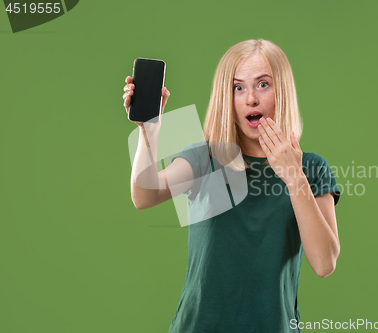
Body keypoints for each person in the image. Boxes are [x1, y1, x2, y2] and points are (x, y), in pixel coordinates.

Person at [123, 39, 342, 333]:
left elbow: (324, 263)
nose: (250, 98)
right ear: (228, 97)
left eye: (263, 85)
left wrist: (294, 177)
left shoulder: (311, 168)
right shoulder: (204, 158)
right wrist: (150, 130)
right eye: (238, 88)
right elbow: (144, 195)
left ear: (283, 92)